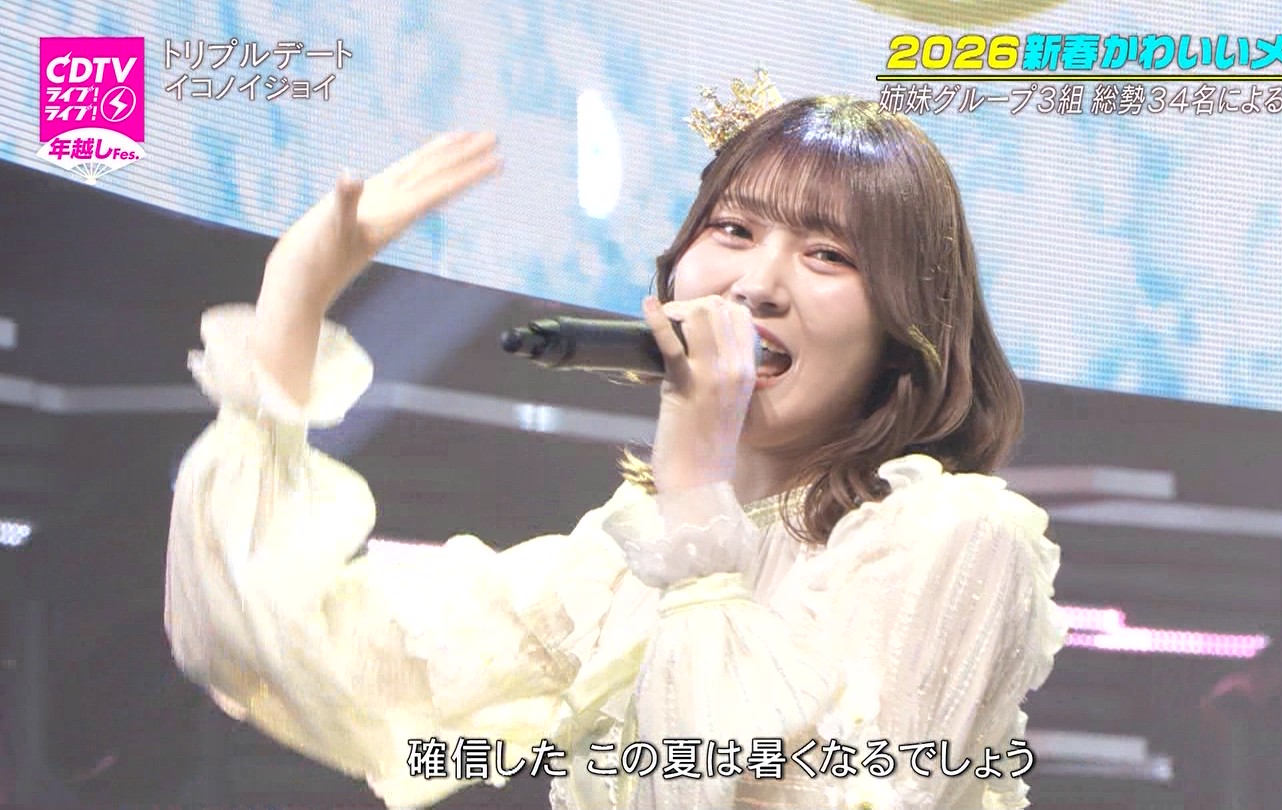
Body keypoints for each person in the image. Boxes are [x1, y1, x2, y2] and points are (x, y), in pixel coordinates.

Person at [164, 84, 1067, 810]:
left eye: (828, 254)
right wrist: (293, 301)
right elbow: (306, 649)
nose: (756, 285)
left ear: (906, 324)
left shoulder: (954, 536)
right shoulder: (619, 566)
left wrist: (693, 495)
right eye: (734, 230)